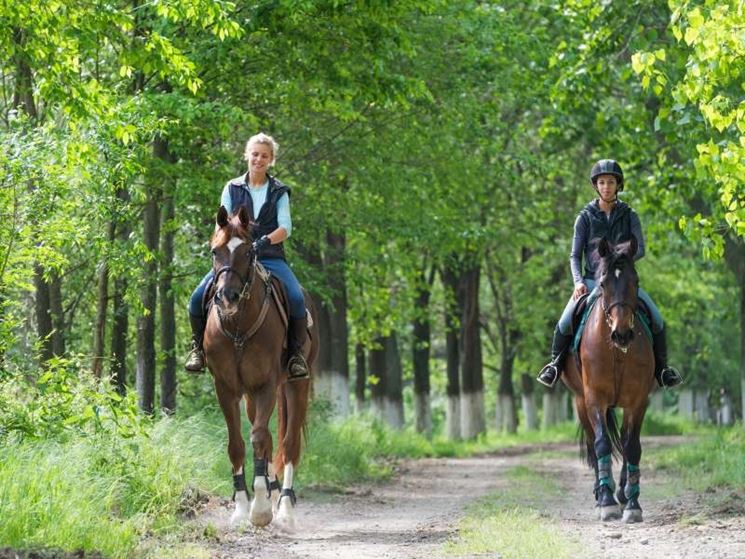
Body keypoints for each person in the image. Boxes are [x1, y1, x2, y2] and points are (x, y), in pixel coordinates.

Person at [536, 159, 683, 389]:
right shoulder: (584, 217)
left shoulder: (629, 215)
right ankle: (554, 365)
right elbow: (574, 256)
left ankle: (662, 369)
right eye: (602, 182)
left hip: (623, 282)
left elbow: (640, 248)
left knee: (657, 319)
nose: (606, 186)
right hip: (592, 280)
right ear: (596, 186)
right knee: (564, 322)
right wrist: (577, 283)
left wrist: (620, 262)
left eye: (611, 182)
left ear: (618, 185)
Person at [185, 132, 309, 379]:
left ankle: (295, 356)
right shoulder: (232, 188)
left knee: (296, 298)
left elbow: (286, 227)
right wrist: (230, 245)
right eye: (255, 154)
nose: (259, 159)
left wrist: (263, 242)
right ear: (247, 156)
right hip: (235, 259)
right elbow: (222, 224)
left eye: (264, 156)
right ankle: (197, 349)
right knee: (196, 297)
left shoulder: (279, 191)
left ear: (271, 160)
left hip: (270, 256)